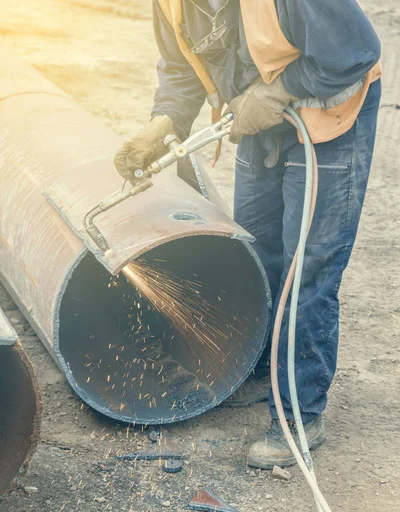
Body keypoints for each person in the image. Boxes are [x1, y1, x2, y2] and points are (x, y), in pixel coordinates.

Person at [114, 0, 382, 469]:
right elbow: (180, 65)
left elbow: (355, 52)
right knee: (258, 254)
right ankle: (261, 374)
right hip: (255, 116)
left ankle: (300, 413)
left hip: (328, 117)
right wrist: (166, 121)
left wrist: (279, 92)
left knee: (307, 267)